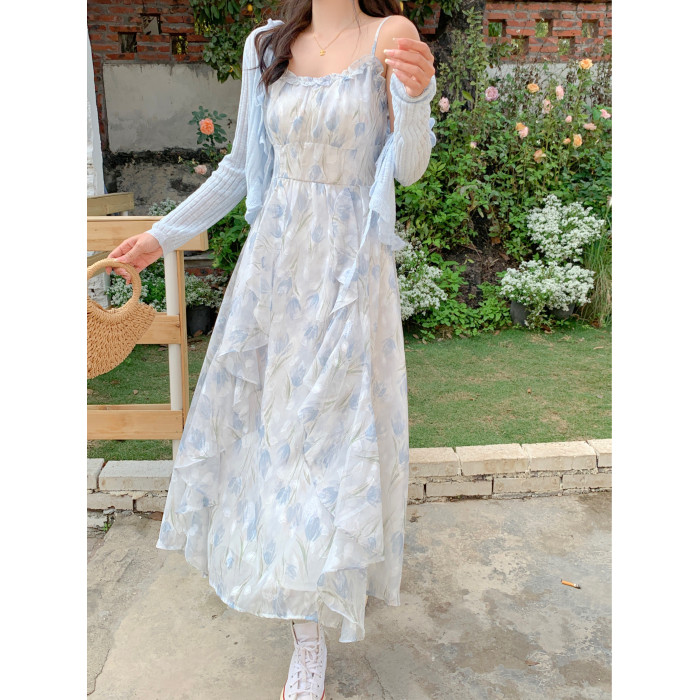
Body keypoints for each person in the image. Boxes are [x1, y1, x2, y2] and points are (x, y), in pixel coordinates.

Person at [106, 1, 436, 697]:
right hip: (277, 274)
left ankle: (320, 587)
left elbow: (407, 170)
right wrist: (160, 237)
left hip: (350, 276)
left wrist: (416, 99)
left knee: (334, 442)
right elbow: (239, 169)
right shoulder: (268, 45)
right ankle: (304, 632)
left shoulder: (391, 36)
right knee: (277, 441)